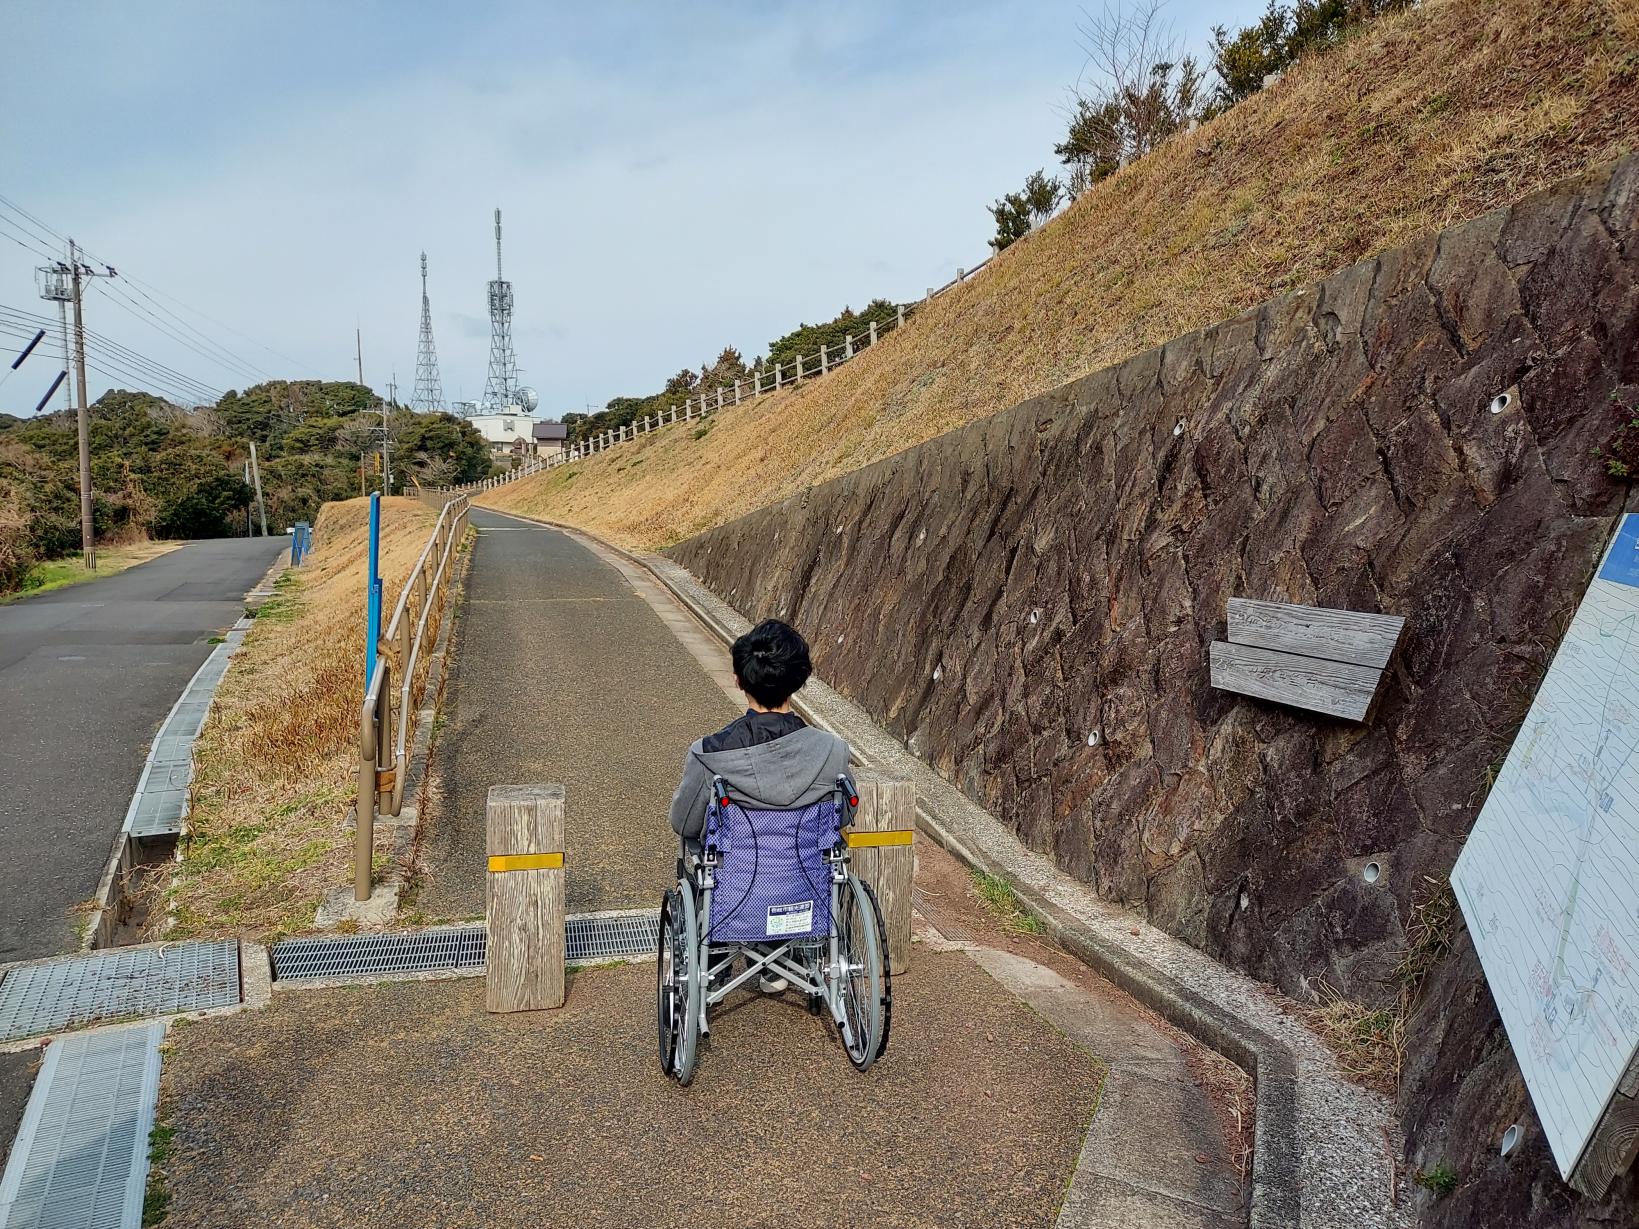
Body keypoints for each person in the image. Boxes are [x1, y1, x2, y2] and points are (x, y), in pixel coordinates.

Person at [668, 618, 851, 992]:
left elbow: (683, 822)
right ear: (798, 681)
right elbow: (844, 813)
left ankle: (715, 964)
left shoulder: (710, 753)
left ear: (739, 679)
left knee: (706, 854)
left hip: (734, 894)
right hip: (805, 890)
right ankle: (780, 960)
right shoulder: (833, 750)